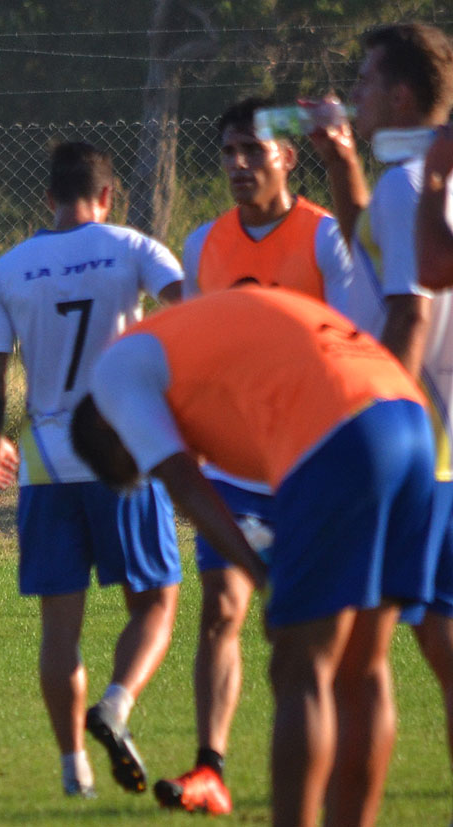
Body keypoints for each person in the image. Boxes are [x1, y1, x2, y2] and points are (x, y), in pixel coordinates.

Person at [70, 286, 436, 827]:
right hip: (408, 415)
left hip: (339, 428)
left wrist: (262, 577)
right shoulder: (184, 348)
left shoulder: (113, 375)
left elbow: (187, 487)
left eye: (137, 461)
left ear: (111, 430)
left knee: (300, 664)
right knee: (364, 670)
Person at [153, 97, 374, 815]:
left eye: (254, 149)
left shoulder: (325, 238)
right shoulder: (202, 244)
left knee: (304, 637)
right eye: (228, 152)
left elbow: (347, 346)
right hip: (233, 468)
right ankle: (209, 767)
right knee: (221, 609)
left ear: (288, 157)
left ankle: (328, 761)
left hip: (312, 463)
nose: (240, 164)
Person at [0, 141, 183, 798]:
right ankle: (116, 706)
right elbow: (195, 314)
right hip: (122, 448)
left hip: (45, 460)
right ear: (108, 194)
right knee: (154, 600)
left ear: (48, 197)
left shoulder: (7, 268)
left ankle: (74, 771)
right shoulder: (134, 249)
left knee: (59, 627)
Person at [311, 22, 453, 823]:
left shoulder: (409, 186)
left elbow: (407, 313)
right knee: (439, 645)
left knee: (356, 660)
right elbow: (379, 250)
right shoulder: (416, 184)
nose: (354, 93)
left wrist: (375, 430)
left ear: (400, 95)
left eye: (364, 82)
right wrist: (340, 164)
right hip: (442, 449)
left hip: (407, 451)